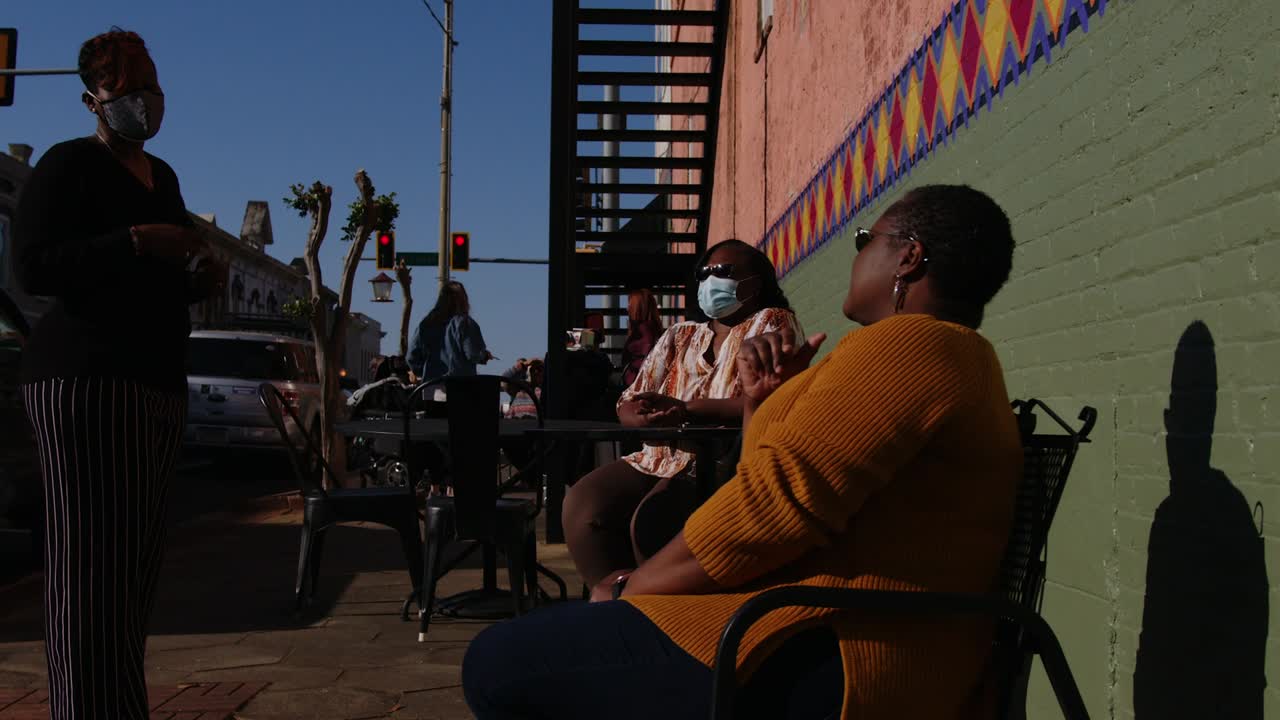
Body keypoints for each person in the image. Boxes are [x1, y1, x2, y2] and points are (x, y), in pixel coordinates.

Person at [462, 185, 1024, 720]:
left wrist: (634, 586)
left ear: (909, 258)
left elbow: (771, 505)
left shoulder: (911, 344)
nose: (858, 255)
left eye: (865, 240)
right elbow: (770, 474)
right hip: (811, 622)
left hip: (831, 648)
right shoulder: (942, 352)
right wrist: (761, 401)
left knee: (496, 665)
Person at [14, 29, 226, 719]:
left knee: (132, 574)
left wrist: (198, 273)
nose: (145, 100)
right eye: (126, 88)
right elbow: (36, 267)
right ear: (93, 100)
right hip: (85, 381)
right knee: (87, 570)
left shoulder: (161, 178)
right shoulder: (67, 166)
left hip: (154, 379)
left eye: (150, 83)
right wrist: (133, 241)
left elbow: (164, 280)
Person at [562, 239, 801, 588]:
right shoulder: (679, 334)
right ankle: (613, 601)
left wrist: (685, 410)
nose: (710, 280)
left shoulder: (770, 322)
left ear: (755, 281)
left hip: (720, 459)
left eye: (723, 272)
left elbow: (766, 398)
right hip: (659, 454)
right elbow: (630, 398)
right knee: (583, 505)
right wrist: (634, 415)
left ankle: (659, 610)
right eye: (704, 273)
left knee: (651, 522)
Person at [406, 280, 494, 388]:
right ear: (464, 300)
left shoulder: (426, 323)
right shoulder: (465, 323)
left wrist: (423, 372)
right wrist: (484, 355)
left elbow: (411, 356)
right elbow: (473, 354)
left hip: (431, 387)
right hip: (459, 387)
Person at [621, 289, 664, 388]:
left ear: (638, 307)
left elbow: (642, 363)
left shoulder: (643, 332)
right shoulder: (655, 330)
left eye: (630, 304)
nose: (627, 309)